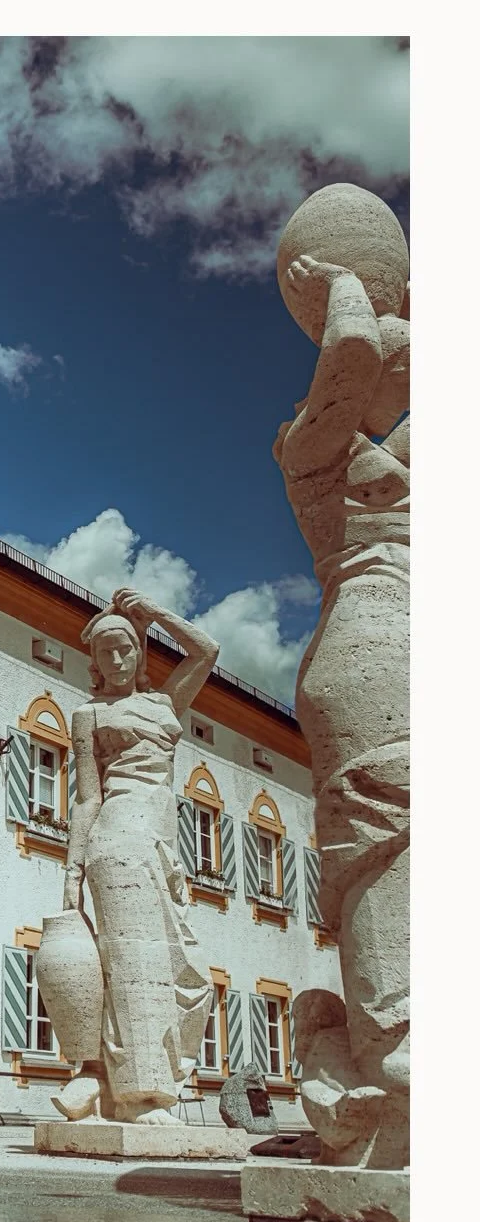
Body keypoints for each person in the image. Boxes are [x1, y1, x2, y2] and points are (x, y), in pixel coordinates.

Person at [275, 253, 409, 1163]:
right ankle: (395, 1057)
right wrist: (347, 289)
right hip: (366, 664)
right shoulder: (310, 453)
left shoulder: (407, 460)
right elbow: (353, 347)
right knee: (384, 849)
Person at [59, 588, 218, 1124]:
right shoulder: (89, 714)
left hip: (162, 848)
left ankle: (102, 1079)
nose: (118, 659)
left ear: (140, 652)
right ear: (95, 663)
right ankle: (140, 1097)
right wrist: (71, 871)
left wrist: (157, 614)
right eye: (106, 652)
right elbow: (87, 797)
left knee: (187, 975)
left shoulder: (164, 705)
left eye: (126, 648)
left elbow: (207, 652)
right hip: (116, 839)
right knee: (134, 968)